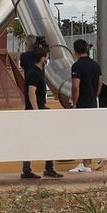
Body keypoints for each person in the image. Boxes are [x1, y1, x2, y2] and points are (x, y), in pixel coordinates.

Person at [21, 47, 63, 180]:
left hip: (39, 108)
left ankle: (47, 168)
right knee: (31, 140)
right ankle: (30, 169)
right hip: (35, 110)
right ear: (42, 58)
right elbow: (31, 91)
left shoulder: (39, 71)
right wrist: (36, 111)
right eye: (47, 57)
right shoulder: (34, 72)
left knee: (45, 138)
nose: (48, 59)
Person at [69, 38, 107, 173]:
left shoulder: (77, 66)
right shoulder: (95, 65)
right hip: (93, 102)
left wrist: (74, 102)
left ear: (75, 51)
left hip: (82, 104)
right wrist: (95, 96)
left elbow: (75, 86)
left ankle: (87, 162)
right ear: (86, 49)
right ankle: (88, 160)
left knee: (83, 132)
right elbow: (100, 83)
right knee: (91, 130)